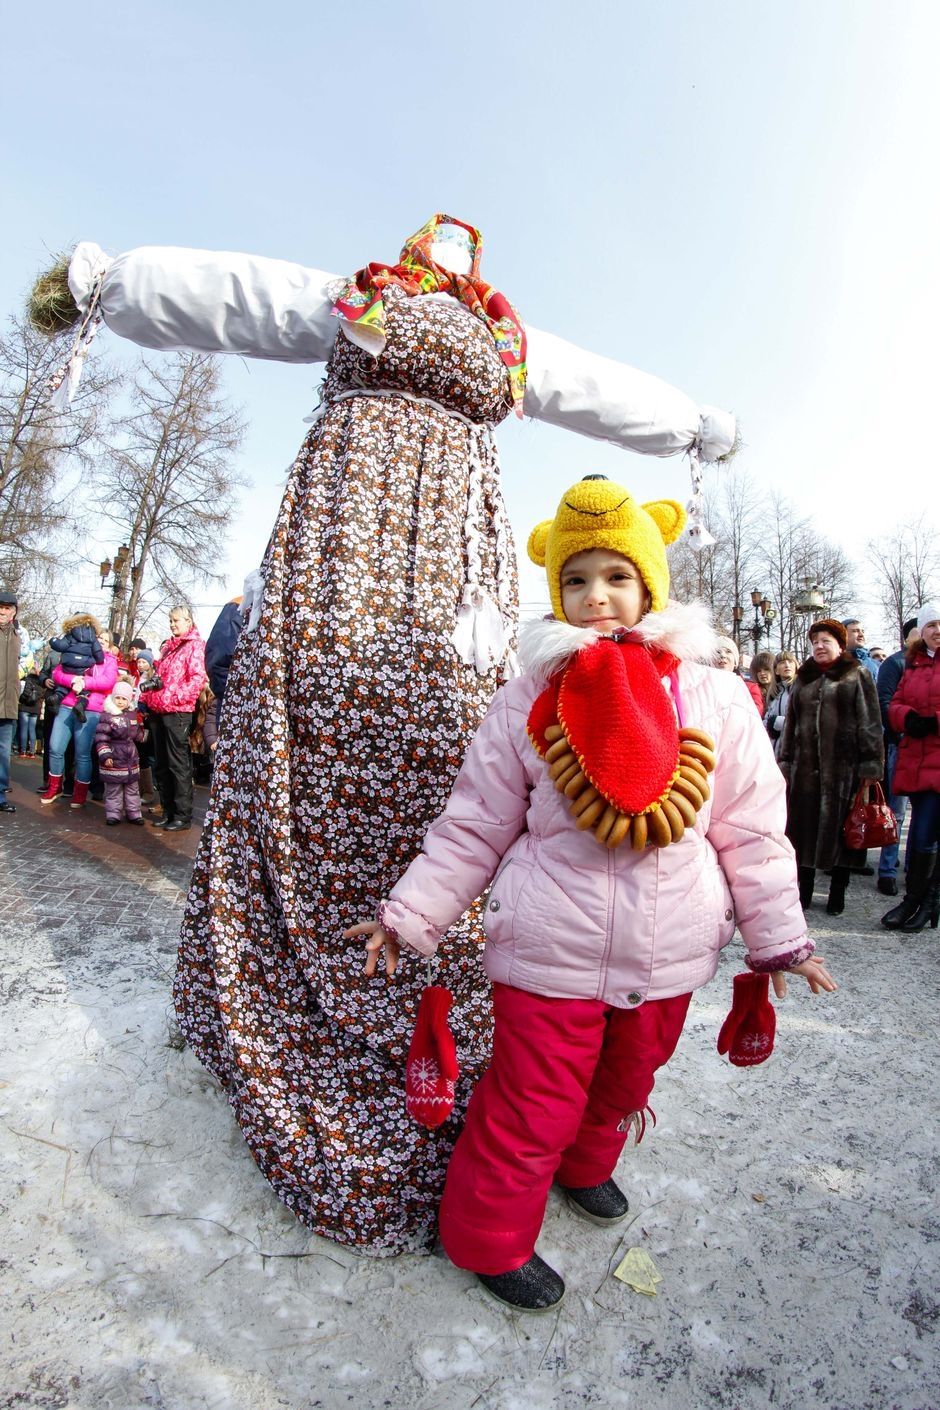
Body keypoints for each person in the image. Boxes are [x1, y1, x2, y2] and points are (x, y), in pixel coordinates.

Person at [45, 219, 736, 1256]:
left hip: (456, 533)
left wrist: (687, 423)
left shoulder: (509, 339)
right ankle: (305, 964)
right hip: (345, 517)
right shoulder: (355, 294)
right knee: (325, 703)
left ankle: (448, 977)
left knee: (456, 733)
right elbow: (241, 294)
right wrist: (108, 285)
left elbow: (588, 385)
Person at [349, 476, 835, 1310]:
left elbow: (752, 828)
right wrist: (413, 914)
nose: (597, 596)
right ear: (555, 592)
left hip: (671, 948)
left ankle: (588, 1164)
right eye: (576, 580)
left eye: (616, 575)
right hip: (549, 949)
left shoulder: (715, 695)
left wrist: (778, 935)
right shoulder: (527, 702)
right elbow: (474, 824)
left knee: (624, 1085)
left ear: (650, 584)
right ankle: (489, 1238)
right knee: (533, 1100)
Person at [778, 619, 884, 914]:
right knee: (803, 830)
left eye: (826, 641)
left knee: (842, 832)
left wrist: (870, 767)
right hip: (805, 771)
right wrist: (785, 762)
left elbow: (871, 724)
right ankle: (805, 890)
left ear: (840, 644)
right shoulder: (803, 679)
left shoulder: (857, 675)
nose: (820, 646)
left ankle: (838, 891)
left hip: (844, 771)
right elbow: (792, 725)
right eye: (815, 643)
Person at [881, 604, 940, 932]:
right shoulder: (913, 664)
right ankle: (917, 900)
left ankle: (925, 899)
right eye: (932, 624)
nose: (937, 630)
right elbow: (895, 704)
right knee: (921, 834)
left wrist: (934, 722)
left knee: (924, 835)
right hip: (918, 762)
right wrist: (908, 719)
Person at [40, 626, 119, 810]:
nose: (100, 642)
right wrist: (72, 681)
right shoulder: (78, 651)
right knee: (54, 747)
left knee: (83, 753)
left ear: (110, 645)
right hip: (67, 704)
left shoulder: (109, 661)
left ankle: (80, 792)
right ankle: (55, 786)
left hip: (91, 709)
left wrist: (86, 682)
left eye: (105, 641)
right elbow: (58, 672)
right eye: (98, 638)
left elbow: (108, 681)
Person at [144, 606, 205, 833]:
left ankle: (182, 815)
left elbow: (197, 678)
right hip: (159, 710)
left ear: (188, 621)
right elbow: (161, 678)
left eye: (176, 620)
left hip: (178, 712)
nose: (172, 624)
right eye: (170, 620)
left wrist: (176, 697)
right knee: (161, 764)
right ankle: (168, 811)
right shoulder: (169, 648)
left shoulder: (195, 646)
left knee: (178, 764)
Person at [876, 618, 919, 896]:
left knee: (926, 814)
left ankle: (917, 869)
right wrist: (904, 729)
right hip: (901, 747)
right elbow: (885, 703)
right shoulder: (895, 664)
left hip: (932, 750)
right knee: (897, 813)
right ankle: (887, 870)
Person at [94, 681, 146, 825]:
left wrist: (143, 732)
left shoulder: (131, 715)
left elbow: (136, 735)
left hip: (130, 756)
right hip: (115, 754)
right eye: (118, 698)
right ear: (113, 698)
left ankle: (134, 812)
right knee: (114, 788)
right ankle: (113, 814)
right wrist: (105, 755)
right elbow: (101, 738)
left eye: (124, 699)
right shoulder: (108, 715)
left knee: (132, 788)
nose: (121, 701)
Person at [47, 613, 104, 722]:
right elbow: (98, 653)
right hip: (83, 668)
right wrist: (100, 660)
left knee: (65, 686)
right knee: (84, 690)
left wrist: (52, 640)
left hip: (68, 666)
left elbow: (60, 646)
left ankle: (57, 697)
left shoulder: (70, 635)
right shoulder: (93, 637)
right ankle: (81, 704)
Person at [0, 589, 21, 813]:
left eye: (7, 608)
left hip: (8, 702)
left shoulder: (16, 635)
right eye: (0, 608)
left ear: (13, 612)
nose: (3, 612)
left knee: (4, 752)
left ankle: (0, 795)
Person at [763, 651, 798, 759]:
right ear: (776, 670)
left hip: (795, 753)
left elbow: (804, 721)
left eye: (790, 661)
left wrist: (776, 722)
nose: (787, 665)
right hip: (774, 754)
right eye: (782, 662)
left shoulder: (801, 689)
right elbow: (766, 721)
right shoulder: (774, 694)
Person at [714, 636, 763, 711]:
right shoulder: (703, 687)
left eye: (728, 651)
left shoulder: (749, 688)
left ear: (735, 661)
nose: (723, 655)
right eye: (717, 652)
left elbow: (755, 713)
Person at [17, 665, 42, 759]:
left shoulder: (29, 679)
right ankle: (32, 752)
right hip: (35, 709)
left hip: (25, 708)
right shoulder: (40, 682)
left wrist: (21, 699)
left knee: (24, 730)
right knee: (32, 730)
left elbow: (26, 692)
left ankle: (23, 751)